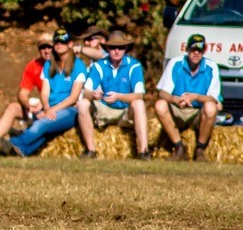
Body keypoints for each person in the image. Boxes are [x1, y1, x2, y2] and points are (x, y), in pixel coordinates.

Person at [0, 29, 86, 157]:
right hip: (51, 107)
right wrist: (47, 107)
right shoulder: (49, 65)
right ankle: (21, 151)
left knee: (42, 124)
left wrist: (51, 110)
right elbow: (45, 92)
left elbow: (73, 98)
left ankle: (14, 142)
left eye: (63, 42)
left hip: (69, 110)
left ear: (70, 44)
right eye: (57, 42)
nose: (59, 44)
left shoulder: (78, 66)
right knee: (46, 131)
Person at [77, 29, 150, 160]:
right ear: (108, 49)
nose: (117, 51)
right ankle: (90, 150)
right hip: (103, 109)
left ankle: (144, 151)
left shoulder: (134, 66)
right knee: (83, 104)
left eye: (120, 47)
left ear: (126, 48)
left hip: (125, 111)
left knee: (139, 104)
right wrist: (93, 95)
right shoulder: (99, 66)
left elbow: (139, 95)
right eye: (113, 47)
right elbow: (86, 91)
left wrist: (119, 96)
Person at [154, 33, 222, 161]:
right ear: (187, 50)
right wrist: (175, 99)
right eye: (193, 49)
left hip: (198, 112)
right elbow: (162, 93)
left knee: (211, 107)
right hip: (177, 109)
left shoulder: (211, 67)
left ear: (204, 51)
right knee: (160, 104)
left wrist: (194, 97)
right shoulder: (175, 63)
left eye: (199, 50)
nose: (196, 53)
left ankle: (200, 149)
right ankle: (179, 147)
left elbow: (213, 98)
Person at [0, 34, 55, 154]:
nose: (46, 50)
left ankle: (20, 140)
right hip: (41, 107)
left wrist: (45, 108)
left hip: (56, 107)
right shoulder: (33, 66)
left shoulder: (62, 66)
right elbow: (22, 93)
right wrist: (28, 105)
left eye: (49, 47)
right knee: (13, 107)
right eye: (43, 48)